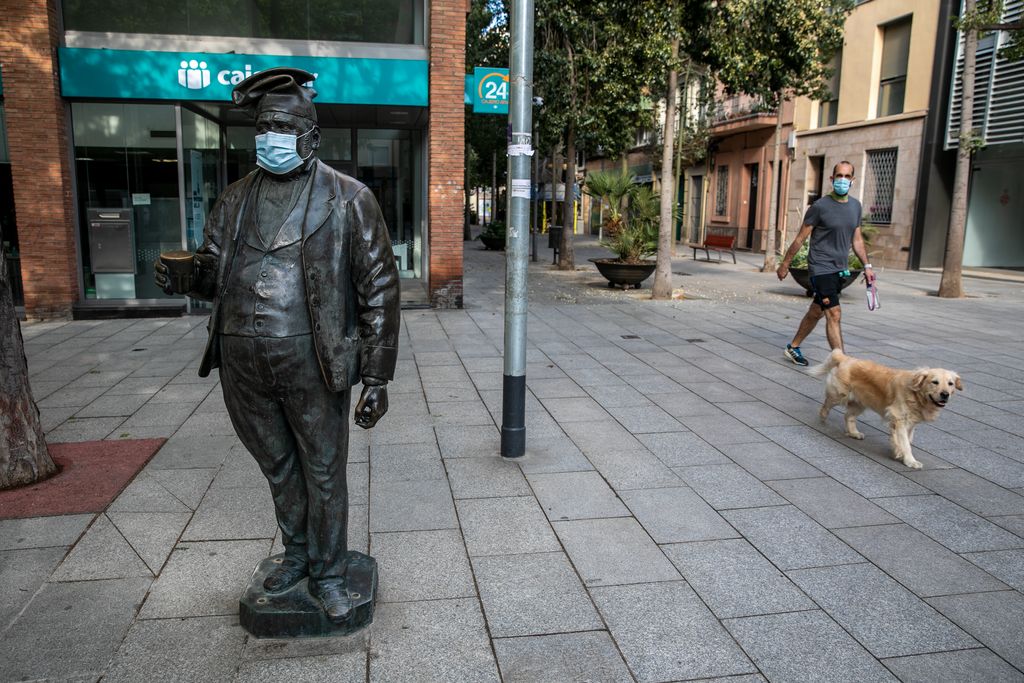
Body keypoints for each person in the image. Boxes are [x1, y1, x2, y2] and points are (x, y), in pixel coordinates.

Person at [155, 67, 400, 623]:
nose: (271, 138)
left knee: (323, 469)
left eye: (284, 128)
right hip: (241, 359)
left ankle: (330, 572)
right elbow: (214, 268)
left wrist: (377, 377)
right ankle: (297, 554)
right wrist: (187, 276)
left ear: (312, 137)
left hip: (312, 360)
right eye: (264, 127)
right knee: (278, 466)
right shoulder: (235, 198)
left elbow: (380, 287)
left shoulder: (349, 198)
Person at [776, 160, 875, 366]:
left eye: (847, 176)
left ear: (853, 180)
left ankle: (793, 346)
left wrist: (867, 266)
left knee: (816, 311)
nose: (842, 180)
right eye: (839, 176)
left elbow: (857, 240)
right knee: (834, 313)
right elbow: (800, 238)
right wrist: (785, 263)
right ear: (832, 178)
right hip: (820, 267)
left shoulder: (855, 206)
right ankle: (843, 364)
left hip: (839, 269)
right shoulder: (820, 207)